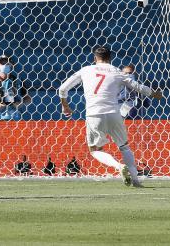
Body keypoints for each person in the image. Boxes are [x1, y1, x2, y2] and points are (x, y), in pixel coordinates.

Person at [59, 46, 162, 187]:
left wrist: (65, 106)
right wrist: (155, 94)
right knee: (124, 147)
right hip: (114, 113)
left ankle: (119, 167)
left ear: (95, 58)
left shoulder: (86, 70)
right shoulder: (117, 72)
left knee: (95, 150)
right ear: (110, 58)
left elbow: (62, 89)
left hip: (94, 114)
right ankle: (136, 181)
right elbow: (137, 87)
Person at [0, 55, 30, 120]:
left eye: (7, 63)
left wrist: (20, 103)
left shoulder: (18, 81)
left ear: (11, 65)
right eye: (2, 63)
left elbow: (28, 98)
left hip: (14, 118)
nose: (5, 65)